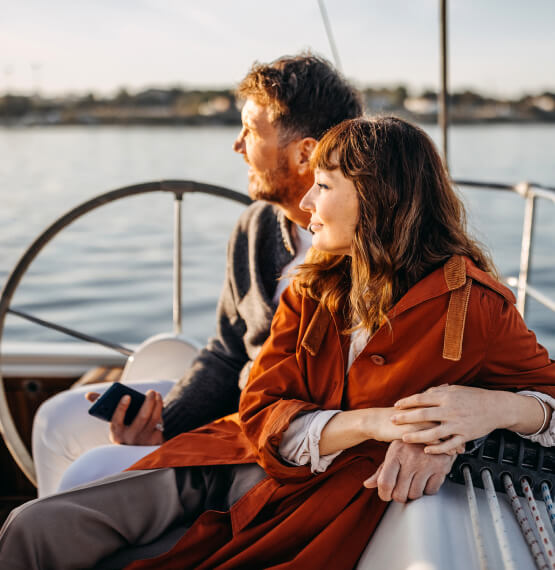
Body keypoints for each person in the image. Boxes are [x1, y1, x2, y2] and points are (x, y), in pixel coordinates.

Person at [2, 116, 554, 569]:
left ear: (378, 198)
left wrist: (495, 409)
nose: (307, 200)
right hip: (227, 463)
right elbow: (260, 409)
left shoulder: (474, 306)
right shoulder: (313, 286)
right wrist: (375, 423)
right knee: (32, 527)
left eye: (325, 185)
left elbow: (546, 399)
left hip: (303, 516)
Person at [32, 53, 457, 505]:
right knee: (55, 421)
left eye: (251, 132)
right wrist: (164, 425)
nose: (237, 146)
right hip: (242, 406)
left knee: (89, 475)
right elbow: (226, 351)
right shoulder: (255, 228)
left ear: (304, 154)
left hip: (287, 439)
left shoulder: (382, 254)